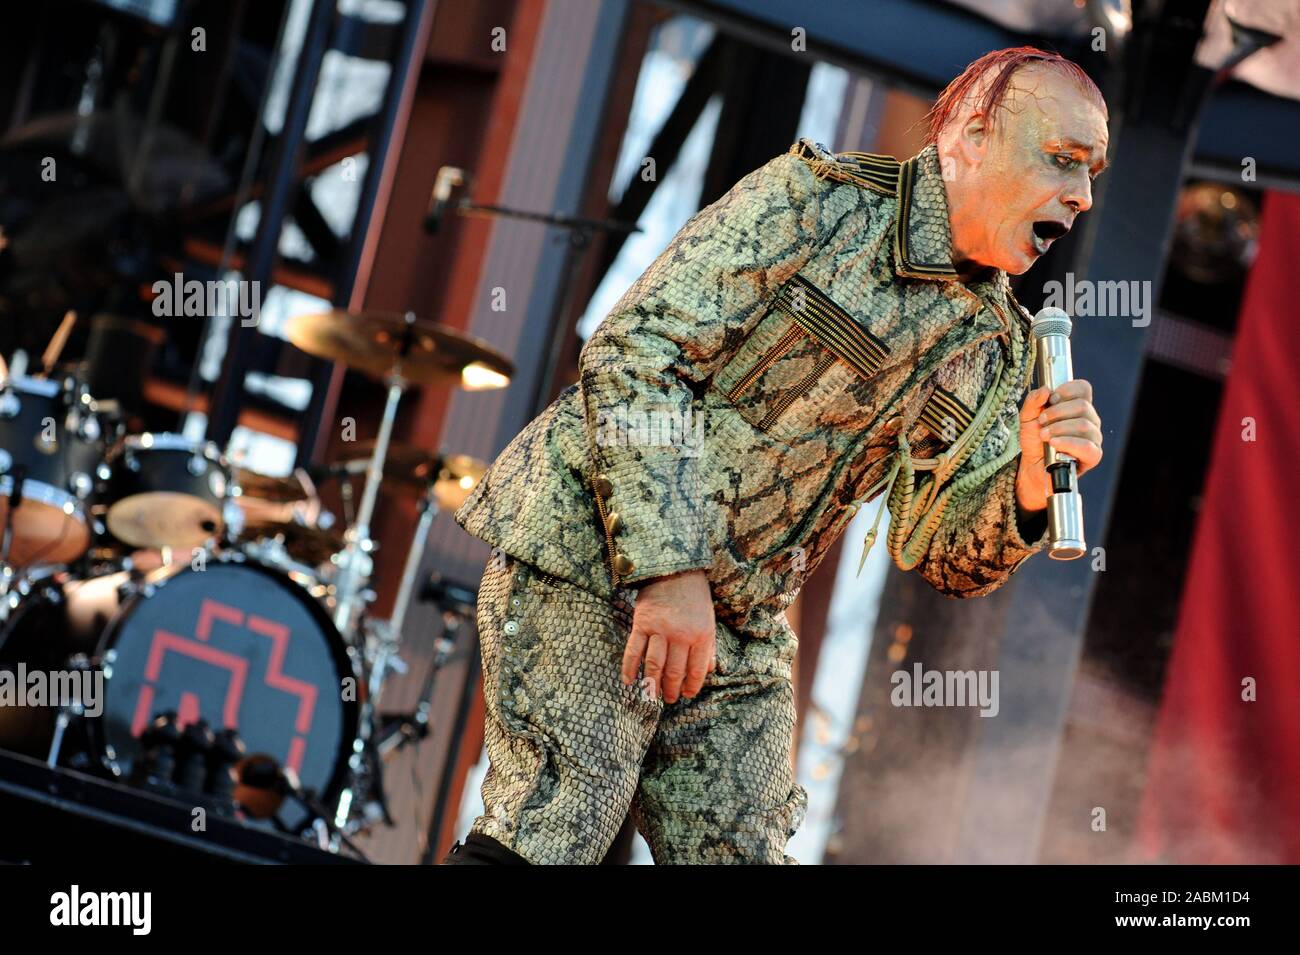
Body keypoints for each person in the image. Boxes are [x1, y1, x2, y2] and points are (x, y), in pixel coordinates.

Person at [444, 46, 1107, 865]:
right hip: (593, 546)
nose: (1081, 195)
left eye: (1093, 173)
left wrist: (1031, 480)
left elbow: (937, 548)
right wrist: (670, 570)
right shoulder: (816, 204)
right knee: (552, 829)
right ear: (971, 134)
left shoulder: (997, 346)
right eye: (1063, 160)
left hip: (740, 619)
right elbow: (637, 354)